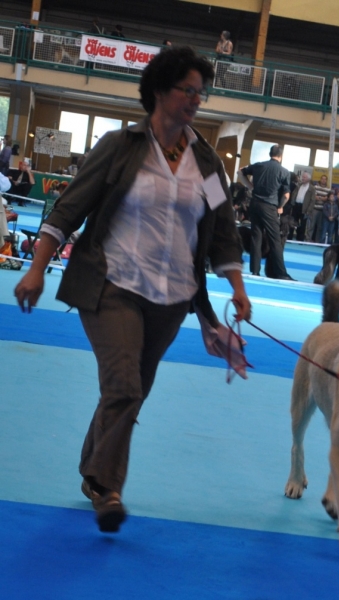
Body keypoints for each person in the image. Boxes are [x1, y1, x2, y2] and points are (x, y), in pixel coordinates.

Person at [14, 46, 252, 533]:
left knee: (130, 393)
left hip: (174, 296)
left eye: (200, 94)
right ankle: (108, 489)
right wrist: (35, 270)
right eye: (188, 91)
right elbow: (67, 210)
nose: (196, 101)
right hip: (112, 284)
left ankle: (91, 467)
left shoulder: (207, 161)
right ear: (161, 91)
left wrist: (237, 287)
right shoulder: (120, 145)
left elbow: (223, 230)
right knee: (123, 385)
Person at [237, 144, 294, 280]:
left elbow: (240, 171)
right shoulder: (284, 171)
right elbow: (286, 195)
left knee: (256, 237)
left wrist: (250, 187)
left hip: (255, 204)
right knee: (275, 240)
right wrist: (281, 206)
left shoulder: (258, 165)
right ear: (280, 156)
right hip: (270, 206)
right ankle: (281, 272)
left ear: (270, 154)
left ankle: (255, 271)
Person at [289, 171, 316, 241]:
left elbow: (312, 201)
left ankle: (300, 239)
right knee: (292, 222)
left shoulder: (312, 188)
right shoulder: (298, 185)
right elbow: (294, 194)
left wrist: (308, 210)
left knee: (302, 225)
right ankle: (289, 237)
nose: (302, 178)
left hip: (304, 208)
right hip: (296, 206)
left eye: (304, 177)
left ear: (308, 179)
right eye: (302, 177)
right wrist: (292, 203)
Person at [308, 174, 330, 242]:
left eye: (325, 179)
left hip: (323, 211)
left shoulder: (328, 189)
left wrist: (319, 197)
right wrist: (322, 198)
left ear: (326, 181)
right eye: (322, 179)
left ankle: (317, 241)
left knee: (320, 227)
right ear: (320, 179)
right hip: (314, 209)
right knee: (311, 226)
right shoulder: (315, 187)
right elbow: (314, 197)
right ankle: (308, 240)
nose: (323, 180)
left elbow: (327, 199)